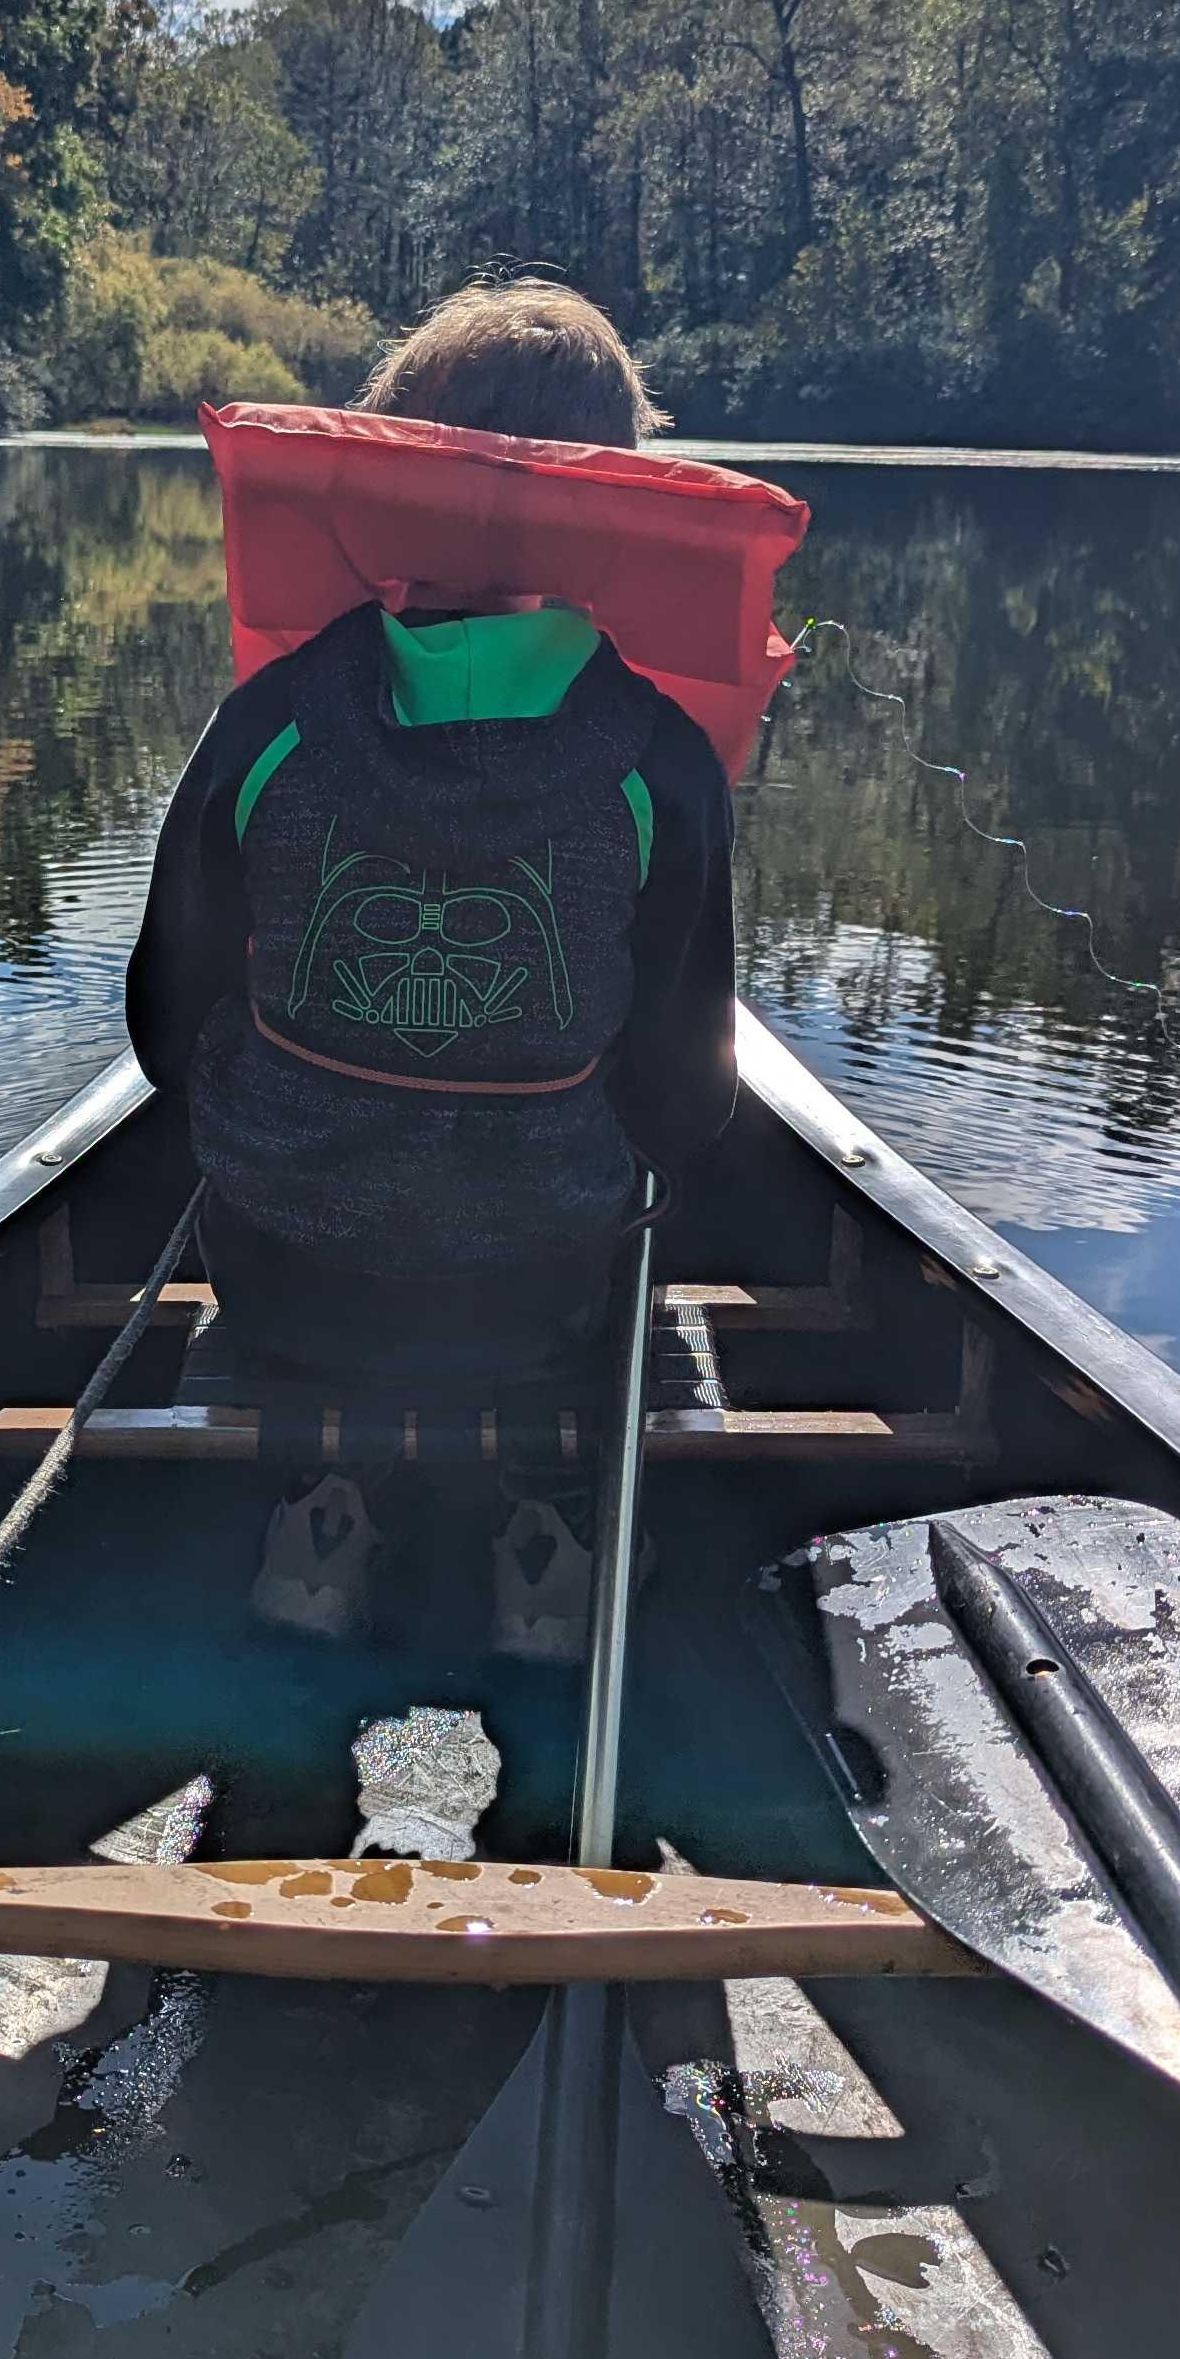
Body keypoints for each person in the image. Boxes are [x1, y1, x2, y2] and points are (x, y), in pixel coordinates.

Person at [125, 278, 739, 1651]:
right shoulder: (662, 763)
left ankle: (323, 1510)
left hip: (289, 1272)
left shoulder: (268, 723)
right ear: (623, 508)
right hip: (545, 1289)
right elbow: (688, 1102)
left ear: (391, 478)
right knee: (621, 1184)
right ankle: (549, 1530)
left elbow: (165, 1031)